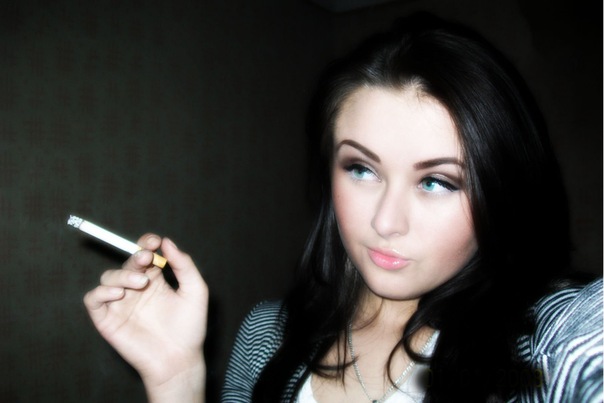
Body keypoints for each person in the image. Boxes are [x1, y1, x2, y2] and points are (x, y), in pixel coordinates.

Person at [83, 13, 603, 403]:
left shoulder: (546, 344)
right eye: (362, 169)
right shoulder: (267, 336)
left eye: (437, 181)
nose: (385, 222)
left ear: (502, 189)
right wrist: (178, 381)